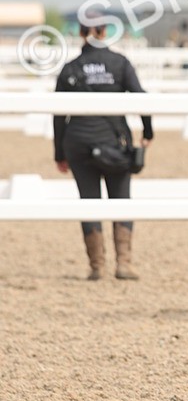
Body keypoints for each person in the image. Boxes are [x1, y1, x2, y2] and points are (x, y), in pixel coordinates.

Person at [54, 14, 153, 279]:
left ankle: (96, 266)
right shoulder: (119, 63)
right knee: (121, 199)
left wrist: (59, 153)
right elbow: (140, 96)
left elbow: (57, 114)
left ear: (82, 32)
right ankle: (123, 263)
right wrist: (148, 130)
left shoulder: (70, 68)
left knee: (88, 201)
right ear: (105, 31)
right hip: (114, 141)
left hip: (77, 141)